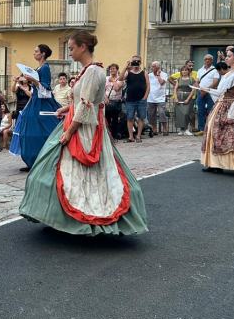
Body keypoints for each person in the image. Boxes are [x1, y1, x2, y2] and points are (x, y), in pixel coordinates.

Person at [19, 31, 148, 236]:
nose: (69, 52)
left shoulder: (93, 72)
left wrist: (70, 132)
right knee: (58, 174)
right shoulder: (87, 71)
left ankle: (87, 220)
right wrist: (66, 109)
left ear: (83, 47)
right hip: (79, 122)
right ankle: (61, 217)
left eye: (71, 48)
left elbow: (87, 106)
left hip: (85, 129)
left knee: (82, 175)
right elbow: (81, 102)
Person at [9, 44, 61, 170]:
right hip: (34, 102)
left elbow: (46, 90)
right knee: (29, 131)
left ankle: (42, 161)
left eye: (36, 51)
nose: (34, 53)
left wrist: (33, 81)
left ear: (43, 54)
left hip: (42, 104)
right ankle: (33, 161)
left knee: (42, 132)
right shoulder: (39, 68)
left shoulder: (45, 68)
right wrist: (25, 80)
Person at [123, 55, 149, 142]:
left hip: (141, 99)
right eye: (134, 61)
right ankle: (131, 137)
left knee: (141, 118)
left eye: (138, 61)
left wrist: (145, 97)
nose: (136, 62)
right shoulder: (128, 72)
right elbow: (120, 79)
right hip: (130, 100)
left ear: (140, 62)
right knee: (130, 118)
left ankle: (138, 136)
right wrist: (125, 67)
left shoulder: (144, 73)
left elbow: (148, 86)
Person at [196, 54, 219, 135]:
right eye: (206, 59)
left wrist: (206, 90)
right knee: (200, 111)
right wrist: (199, 88)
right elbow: (197, 81)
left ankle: (210, 128)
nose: (207, 60)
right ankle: (201, 129)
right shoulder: (200, 70)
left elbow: (215, 82)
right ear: (204, 60)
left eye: (209, 59)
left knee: (210, 111)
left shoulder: (214, 70)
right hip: (200, 92)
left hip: (210, 93)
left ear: (212, 60)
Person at [172, 64, 196, 136]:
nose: (184, 71)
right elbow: (175, 89)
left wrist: (188, 99)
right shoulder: (178, 79)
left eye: (186, 70)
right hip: (179, 97)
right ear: (181, 71)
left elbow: (193, 90)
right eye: (183, 70)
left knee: (186, 113)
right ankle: (181, 129)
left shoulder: (192, 79)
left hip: (188, 97)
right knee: (180, 114)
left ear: (188, 71)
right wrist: (176, 98)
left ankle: (186, 129)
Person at [147, 61, 169, 136]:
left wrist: (158, 75)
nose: (152, 68)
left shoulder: (164, 74)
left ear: (158, 67)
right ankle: (154, 129)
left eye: (154, 66)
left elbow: (162, 83)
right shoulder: (149, 75)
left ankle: (165, 128)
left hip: (161, 98)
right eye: (152, 66)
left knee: (162, 113)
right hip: (151, 97)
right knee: (151, 115)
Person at [104, 64, 125, 140]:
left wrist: (113, 80)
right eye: (110, 69)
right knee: (107, 119)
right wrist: (105, 98)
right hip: (107, 102)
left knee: (115, 119)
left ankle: (114, 135)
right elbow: (103, 90)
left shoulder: (120, 79)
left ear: (117, 70)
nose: (112, 70)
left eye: (113, 69)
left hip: (116, 102)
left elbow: (116, 88)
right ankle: (108, 136)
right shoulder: (106, 79)